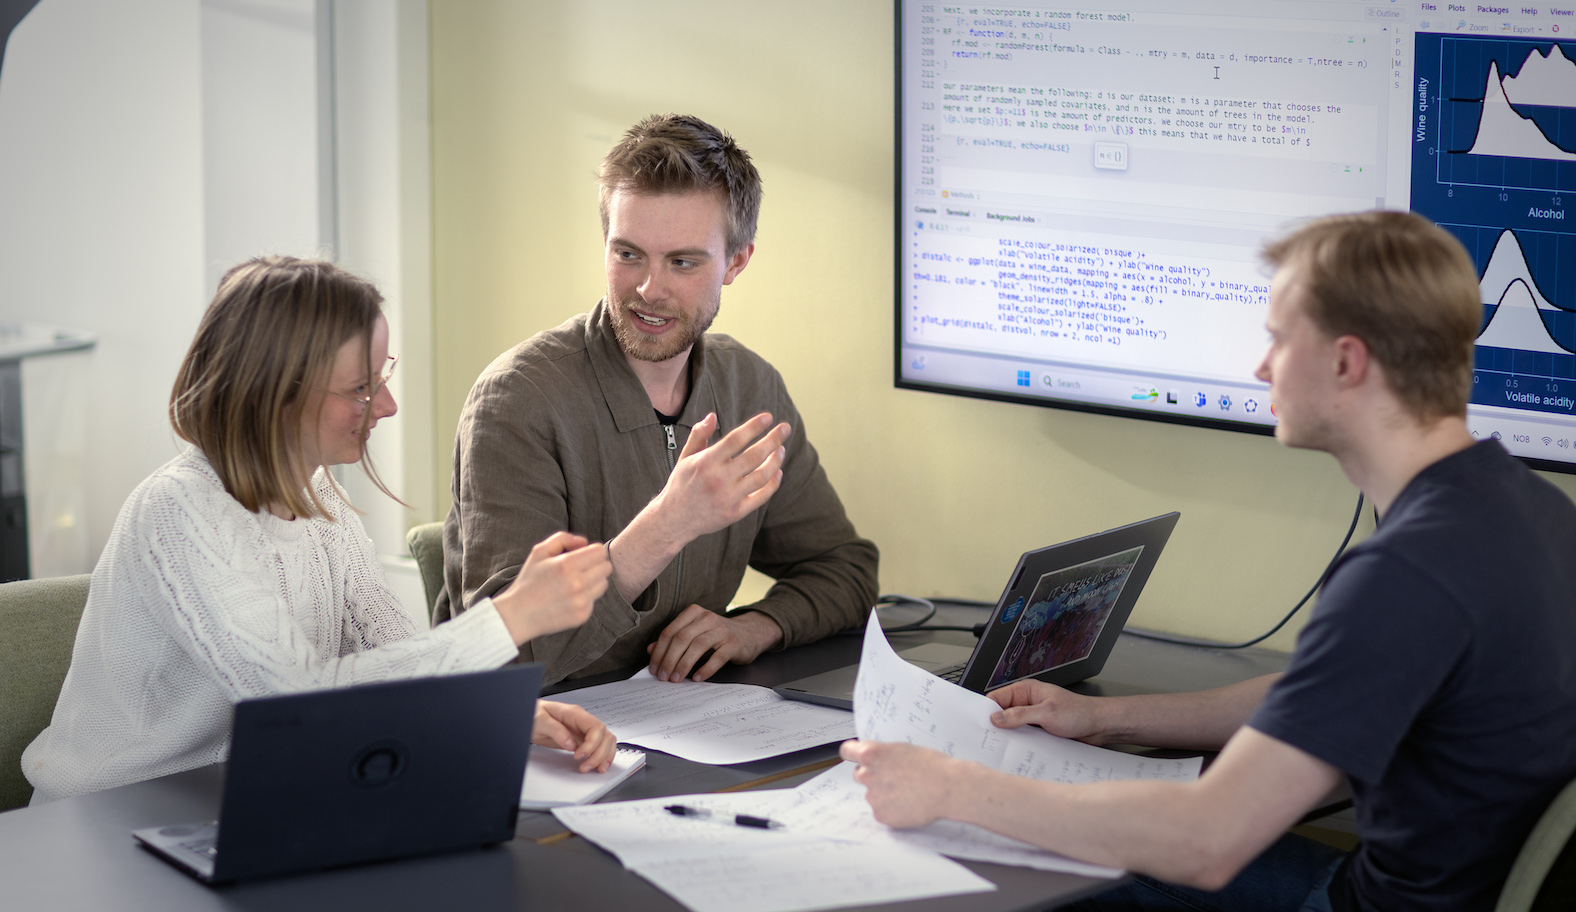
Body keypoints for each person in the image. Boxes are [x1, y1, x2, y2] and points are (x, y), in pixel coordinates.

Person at [840, 211, 1576, 911]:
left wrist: (952, 790)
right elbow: (1319, 697)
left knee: (993, 852)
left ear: (1347, 361)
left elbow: (1207, 842)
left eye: (1279, 341)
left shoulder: (1404, 574)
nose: (1261, 369)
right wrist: (1104, 720)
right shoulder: (1528, 510)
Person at [23, 257, 617, 803]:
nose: (385, 406)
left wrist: (499, 716)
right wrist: (511, 617)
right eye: (360, 388)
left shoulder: (318, 493)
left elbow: (390, 656)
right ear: (271, 394)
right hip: (109, 813)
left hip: (241, 794)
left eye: (380, 377)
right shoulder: (181, 511)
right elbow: (299, 700)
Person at [435, 114, 879, 685]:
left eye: (683, 262)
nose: (649, 289)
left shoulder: (750, 388)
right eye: (628, 255)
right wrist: (668, 524)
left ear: (737, 261)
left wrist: (756, 627)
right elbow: (499, 661)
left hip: (687, 731)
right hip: (549, 742)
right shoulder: (517, 401)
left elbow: (846, 569)